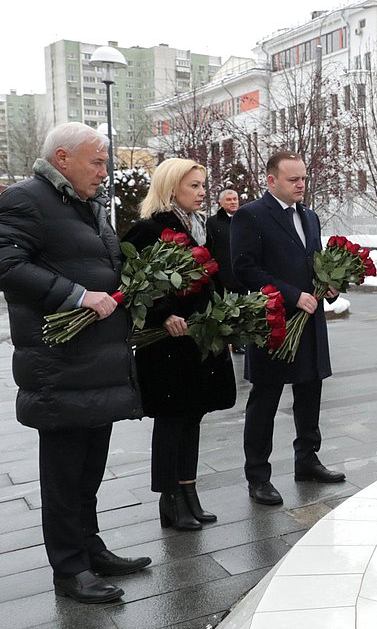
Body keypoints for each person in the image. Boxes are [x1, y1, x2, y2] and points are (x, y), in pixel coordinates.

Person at [0, 122, 150, 603]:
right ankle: (69, 569)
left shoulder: (83, 205)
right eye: (97, 161)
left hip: (96, 363)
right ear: (62, 159)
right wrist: (77, 296)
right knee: (64, 474)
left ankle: (90, 548)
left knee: (89, 469)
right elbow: (1, 263)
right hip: (59, 365)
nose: (105, 170)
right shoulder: (25, 199)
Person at [122, 159, 236, 531]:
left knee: (193, 415)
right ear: (171, 189)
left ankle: (188, 492)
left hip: (197, 338)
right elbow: (133, 280)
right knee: (172, 421)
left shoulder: (202, 227)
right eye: (194, 186)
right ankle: (169, 500)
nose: (202, 192)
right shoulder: (150, 229)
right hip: (167, 343)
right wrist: (162, 314)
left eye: (203, 185)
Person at [231, 150, 343, 507]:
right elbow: (245, 269)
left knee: (310, 391)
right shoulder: (250, 216)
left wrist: (329, 283)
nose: (301, 185)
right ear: (271, 180)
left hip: (309, 322)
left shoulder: (309, 216)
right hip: (275, 323)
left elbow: (314, 260)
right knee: (265, 399)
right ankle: (258, 476)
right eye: (293, 179)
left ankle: (307, 460)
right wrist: (293, 295)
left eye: (304, 179)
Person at [205, 188, 245, 353]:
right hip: (220, 275)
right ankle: (220, 341)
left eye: (235, 199)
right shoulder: (212, 223)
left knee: (241, 309)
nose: (233, 202)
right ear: (220, 203)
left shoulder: (245, 220)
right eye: (228, 199)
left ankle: (238, 341)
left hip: (241, 273)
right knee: (220, 310)